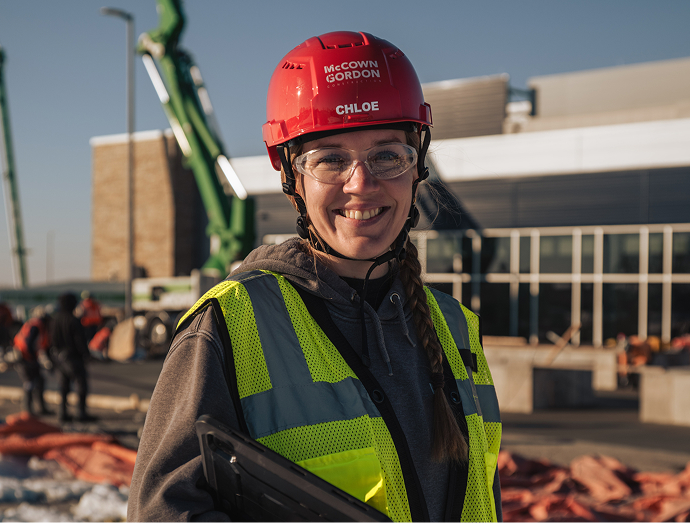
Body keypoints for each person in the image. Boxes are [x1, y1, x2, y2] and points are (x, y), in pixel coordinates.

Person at [129, 31, 502, 522]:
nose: (361, 183)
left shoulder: (455, 328)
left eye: (388, 154)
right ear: (291, 176)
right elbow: (163, 511)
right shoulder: (229, 327)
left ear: (417, 167)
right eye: (331, 159)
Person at [50, 292, 95, 423]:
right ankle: (81, 413)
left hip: (59, 359)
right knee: (81, 385)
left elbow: (51, 341)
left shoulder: (55, 320)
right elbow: (79, 341)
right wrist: (86, 355)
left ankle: (62, 413)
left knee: (63, 387)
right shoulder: (73, 320)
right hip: (73, 358)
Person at [12, 306, 53, 416]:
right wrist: (33, 360)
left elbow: (44, 346)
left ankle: (40, 408)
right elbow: (28, 344)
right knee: (29, 383)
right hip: (23, 357)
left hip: (27, 356)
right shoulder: (36, 326)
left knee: (39, 381)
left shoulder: (38, 326)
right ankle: (27, 410)